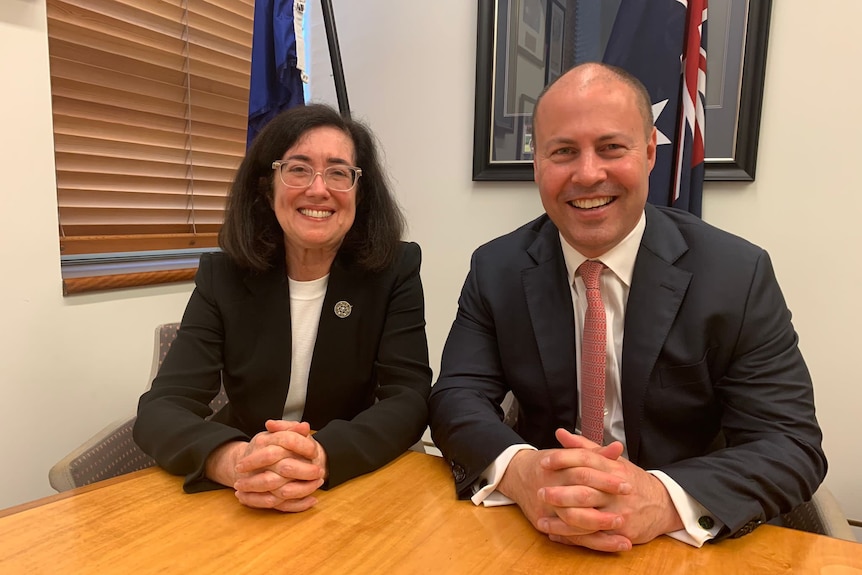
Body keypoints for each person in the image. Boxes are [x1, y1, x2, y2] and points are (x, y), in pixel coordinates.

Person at [428, 63, 826, 552]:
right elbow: (455, 398)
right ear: (537, 166)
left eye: (611, 148)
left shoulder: (737, 275)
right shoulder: (496, 269)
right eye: (563, 152)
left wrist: (658, 498)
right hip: (543, 529)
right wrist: (522, 471)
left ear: (650, 154)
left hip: (681, 537)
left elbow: (790, 443)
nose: (588, 173)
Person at [134, 103, 432, 513]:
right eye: (298, 168)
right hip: (241, 489)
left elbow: (409, 398)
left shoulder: (394, 270)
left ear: (359, 193)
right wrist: (235, 462)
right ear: (266, 186)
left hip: (348, 481)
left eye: (339, 172)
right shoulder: (222, 275)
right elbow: (161, 408)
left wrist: (321, 456)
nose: (318, 189)